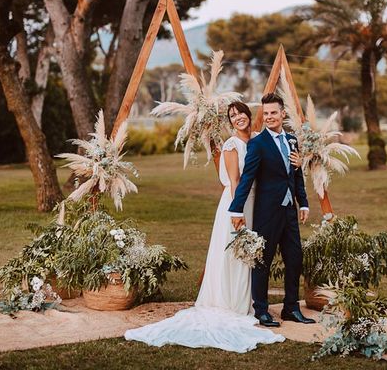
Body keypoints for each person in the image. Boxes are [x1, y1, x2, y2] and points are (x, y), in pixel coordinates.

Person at [124, 101, 285, 352]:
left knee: (251, 255)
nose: (237, 118)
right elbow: (234, 180)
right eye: (232, 116)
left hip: (258, 205)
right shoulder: (232, 145)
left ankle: (250, 300)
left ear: (248, 114)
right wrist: (237, 210)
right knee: (235, 252)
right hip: (237, 204)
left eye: (240, 112)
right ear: (230, 121)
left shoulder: (257, 139)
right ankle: (230, 303)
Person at [228, 93, 316, 327]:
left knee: (295, 258)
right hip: (267, 211)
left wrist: (303, 202)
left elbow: (296, 174)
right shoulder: (257, 144)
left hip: (289, 212)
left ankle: (291, 308)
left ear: (282, 114)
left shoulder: (292, 140)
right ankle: (261, 310)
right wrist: (236, 210)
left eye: (273, 113)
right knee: (263, 261)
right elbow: (246, 178)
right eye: (265, 113)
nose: (269, 117)